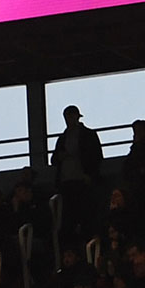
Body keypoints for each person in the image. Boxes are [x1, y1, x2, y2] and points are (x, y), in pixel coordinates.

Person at [52, 105, 103, 248]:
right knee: (68, 220)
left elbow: (96, 156)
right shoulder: (62, 138)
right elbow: (54, 159)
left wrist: (90, 175)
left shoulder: (88, 135)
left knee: (86, 217)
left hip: (82, 182)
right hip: (67, 183)